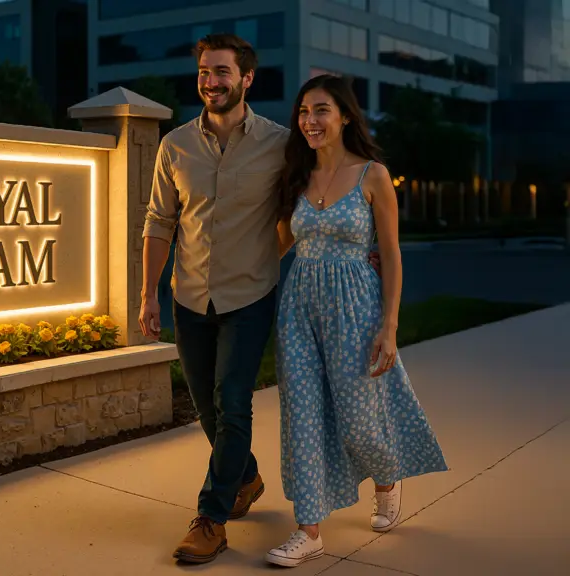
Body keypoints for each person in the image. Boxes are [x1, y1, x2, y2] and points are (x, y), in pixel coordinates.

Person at [266, 74, 449, 568]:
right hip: (299, 310)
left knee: (360, 423)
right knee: (301, 417)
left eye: (320, 110)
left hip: (356, 309)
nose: (309, 121)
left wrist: (389, 326)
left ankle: (387, 480)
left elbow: (390, 253)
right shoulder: (296, 175)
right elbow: (278, 246)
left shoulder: (373, 174)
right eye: (303, 112)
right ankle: (308, 530)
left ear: (345, 116)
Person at [138, 33, 289, 564]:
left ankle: (211, 518)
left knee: (232, 402)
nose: (211, 82)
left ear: (247, 78)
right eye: (204, 71)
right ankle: (245, 477)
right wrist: (149, 295)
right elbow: (160, 221)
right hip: (189, 297)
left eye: (222, 72)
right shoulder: (175, 145)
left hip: (249, 297)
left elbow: (298, 213)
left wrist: (265, 256)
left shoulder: (279, 144)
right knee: (206, 407)